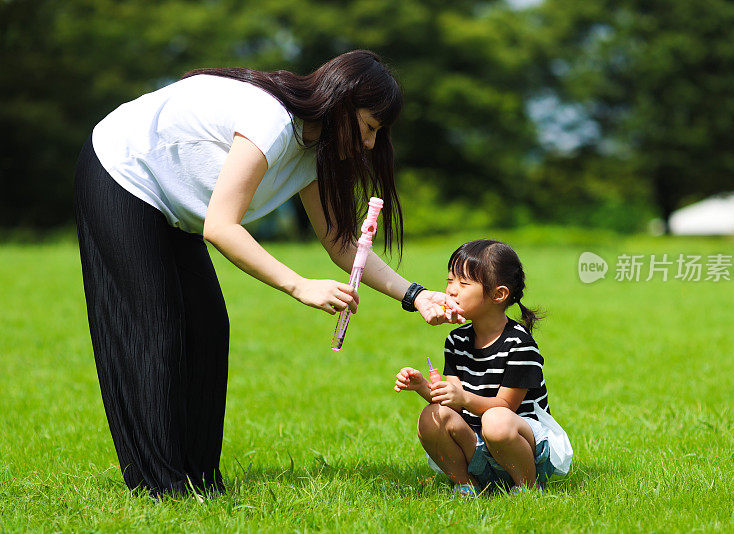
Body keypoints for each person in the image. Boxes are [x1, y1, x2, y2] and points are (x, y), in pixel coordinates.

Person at [73, 50, 464, 498]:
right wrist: (299, 285)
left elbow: (340, 243)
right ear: (341, 103)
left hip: (174, 206)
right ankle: (160, 487)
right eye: (370, 127)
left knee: (207, 328)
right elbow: (221, 227)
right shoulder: (272, 121)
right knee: (156, 331)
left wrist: (415, 295)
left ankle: (200, 480)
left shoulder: (316, 150)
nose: (372, 144)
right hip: (121, 170)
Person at [394, 239, 572, 496]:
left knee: (495, 420)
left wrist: (464, 397)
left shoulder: (519, 343)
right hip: (475, 441)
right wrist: (423, 386)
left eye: (463, 283)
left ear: (499, 294)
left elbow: (505, 407)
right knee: (431, 416)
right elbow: (452, 403)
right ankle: (467, 484)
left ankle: (527, 488)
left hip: (519, 444)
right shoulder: (456, 340)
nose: (452, 291)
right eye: (449, 280)